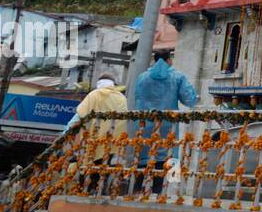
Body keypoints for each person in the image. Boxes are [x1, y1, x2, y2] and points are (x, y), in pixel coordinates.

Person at [132, 49, 198, 191]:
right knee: (169, 156)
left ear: (155, 60)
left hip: (145, 125)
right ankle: (167, 192)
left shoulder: (142, 77)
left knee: (143, 156)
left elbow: (136, 98)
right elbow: (190, 100)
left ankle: (137, 190)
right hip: (168, 127)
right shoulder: (177, 77)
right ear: (169, 60)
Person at [66, 73, 128, 193]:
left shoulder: (95, 95)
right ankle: (100, 190)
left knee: (89, 168)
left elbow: (81, 114)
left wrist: (68, 131)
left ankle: (87, 191)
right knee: (104, 167)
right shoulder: (121, 97)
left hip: (94, 140)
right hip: (113, 142)